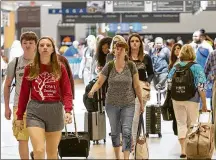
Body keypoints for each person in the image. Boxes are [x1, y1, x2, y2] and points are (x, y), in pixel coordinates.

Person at [14, 36, 73, 159]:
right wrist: (19, 116)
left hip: (55, 110)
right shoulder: (30, 68)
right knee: (39, 150)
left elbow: (67, 91)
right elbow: (24, 94)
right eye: (42, 45)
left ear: (52, 49)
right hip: (35, 110)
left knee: (52, 153)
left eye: (48, 45)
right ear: (37, 48)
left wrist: (68, 110)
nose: (45, 47)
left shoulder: (60, 68)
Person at [88, 39, 143, 160]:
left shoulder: (131, 66)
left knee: (127, 131)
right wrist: (92, 90)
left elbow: (137, 85)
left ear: (125, 52)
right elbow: (99, 81)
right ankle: (118, 157)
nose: (118, 51)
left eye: (121, 49)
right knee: (115, 131)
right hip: (111, 104)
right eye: (116, 49)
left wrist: (141, 103)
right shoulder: (110, 65)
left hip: (128, 103)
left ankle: (126, 157)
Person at [168, 44, 207, 158]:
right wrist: (204, 103)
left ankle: (183, 150)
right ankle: (191, 149)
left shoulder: (176, 66)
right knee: (192, 124)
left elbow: (169, 83)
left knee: (181, 124)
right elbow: (201, 86)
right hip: (192, 99)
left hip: (176, 99)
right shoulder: (196, 67)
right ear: (193, 54)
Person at [3, 32, 38, 159]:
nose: (28, 45)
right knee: (22, 138)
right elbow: (7, 85)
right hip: (20, 106)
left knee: (38, 140)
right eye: (25, 43)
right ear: (21, 45)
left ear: (35, 45)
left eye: (31, 43)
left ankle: (36, 154)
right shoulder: (15, 62)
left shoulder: (42, 62)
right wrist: (7, 107)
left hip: (39, 107)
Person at [127, 33, 154, 150]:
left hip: (141, 90)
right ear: (129, 43)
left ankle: (132, 144)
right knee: (129, 117)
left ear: (140, 43)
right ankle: (132, 140)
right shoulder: (125, 57)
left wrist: (148, 81)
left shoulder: (146, 57)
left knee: (135, 117)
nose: (134, 43)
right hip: (127, 90)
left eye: (137, 41)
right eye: (132, 41)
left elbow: (151, 73)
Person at [168, 43, 183, 136]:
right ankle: (178, 132)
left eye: (179, 48)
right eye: (175, 49)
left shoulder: (184, 62)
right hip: (173, 90)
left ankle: (181, 133)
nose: (177, 50)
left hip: (182, 90)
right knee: (174, 113)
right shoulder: (172, 63)